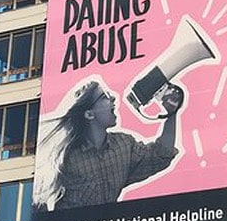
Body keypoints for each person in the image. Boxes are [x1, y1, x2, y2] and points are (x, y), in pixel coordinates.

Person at [33, 80, 185, 211]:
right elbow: (40, 201)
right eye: (104, 97)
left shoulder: (124, 145)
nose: (113, 97)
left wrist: (171, 113)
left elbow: (161, 155)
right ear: (89, 114)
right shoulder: (65, 157)